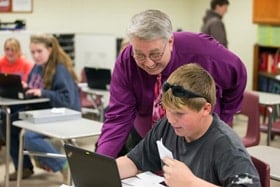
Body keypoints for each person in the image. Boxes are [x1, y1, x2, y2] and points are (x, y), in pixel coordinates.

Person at [96, 9, 247, 158]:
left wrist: (222, 119)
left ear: (170, 42)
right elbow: (118, 117)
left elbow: (238, 74)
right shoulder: (127, 60)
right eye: (140, 55)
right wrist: (100, 163)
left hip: (196, 141)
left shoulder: (203, 52)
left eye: (155, 54)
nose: (148, 63)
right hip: (147, 138)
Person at [116, 63, 260, 187]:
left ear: (205, 109)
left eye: (179, 113)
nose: (171, 119)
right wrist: (102, 173)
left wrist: (191, 183)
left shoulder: (226, 146)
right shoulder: (167, 127)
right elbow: (134, 162)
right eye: (167, 110)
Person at [0, 33, 80, 182]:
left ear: (50, 49)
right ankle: (23, 167)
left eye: (39, 51)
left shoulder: (60, 69)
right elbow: (35, 89)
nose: (36, 56)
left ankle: (64, 166)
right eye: (33, 52)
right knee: (6, 123)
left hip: (61, 113)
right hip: (41, 111)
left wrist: (42, 92)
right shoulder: (37, 68)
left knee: (30, 136)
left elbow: (67, 100)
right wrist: (25, 88)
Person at [0, 38, 34, 150]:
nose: (10, 52)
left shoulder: (26, 64)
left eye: (13, 50)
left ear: (18, 51)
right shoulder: (1, 62)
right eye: (7, 49)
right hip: (3, 99)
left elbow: (29, 85)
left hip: (20, 103)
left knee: (8, 120)